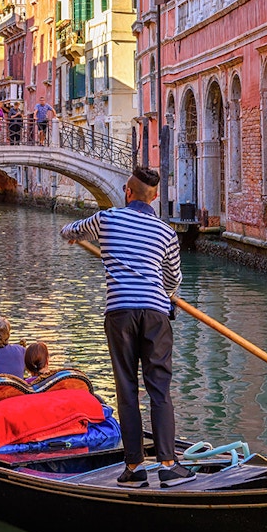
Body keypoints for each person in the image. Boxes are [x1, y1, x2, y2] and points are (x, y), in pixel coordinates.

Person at [60, 166, 192, 487]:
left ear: (127, 192)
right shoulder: (166, 232)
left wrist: (74, 236)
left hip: (120, 312)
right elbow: (173, 279)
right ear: (155, 197)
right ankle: (169, 465)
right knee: (159, 389)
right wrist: (162, 293)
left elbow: (69, 230)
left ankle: (134, 467)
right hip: (156, 313)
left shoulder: (106, 219)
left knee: (127, 389)